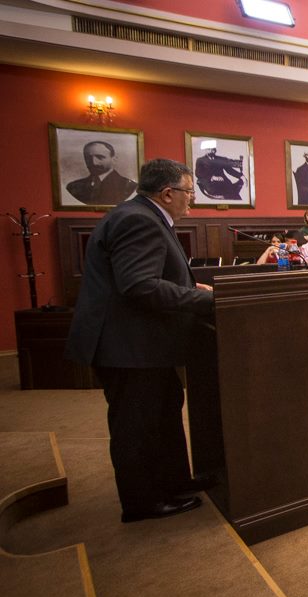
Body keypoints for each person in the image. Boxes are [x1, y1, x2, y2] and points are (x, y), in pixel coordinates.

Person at [65, 158, 213, 523]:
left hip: (144, 344)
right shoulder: (138, 220)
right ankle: (143, 501)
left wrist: (188, 286)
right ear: (167, 193)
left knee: (164, 409)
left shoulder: (141, 215)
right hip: (128, 346)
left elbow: (147, 275)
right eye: (189, 192)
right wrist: (205, 300)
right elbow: (139, 286)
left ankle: (173, 481)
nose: (191, 199)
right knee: (137, 423)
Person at [66, 140, 138, 205]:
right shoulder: (73, 187)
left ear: (114, 159)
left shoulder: (130, 187)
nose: (94, 163)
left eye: (100, 157)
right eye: (88, 158)